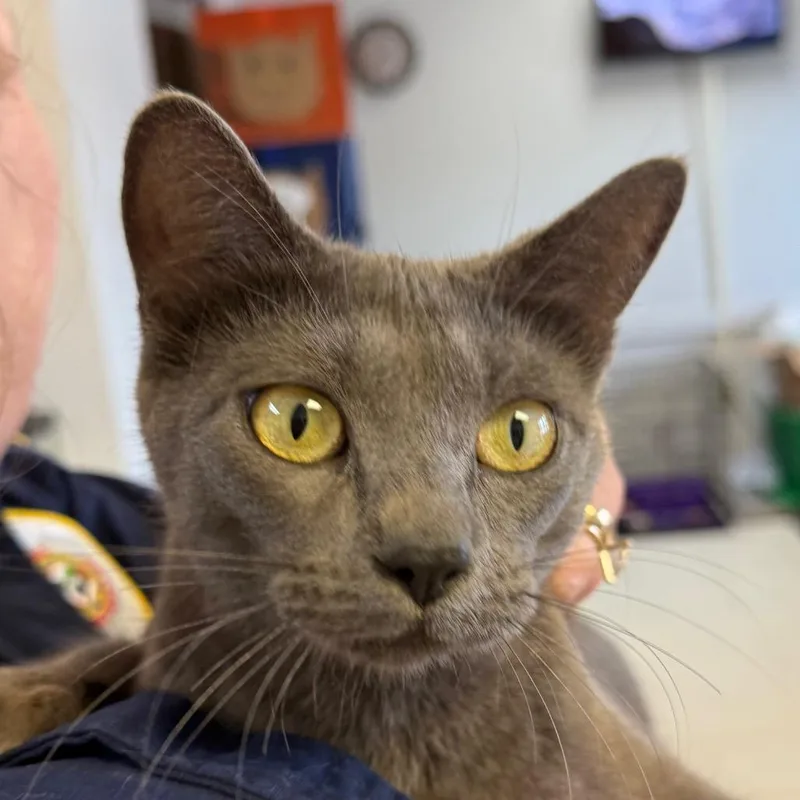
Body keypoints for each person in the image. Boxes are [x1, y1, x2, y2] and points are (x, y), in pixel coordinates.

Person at [0, 6, 629, 796]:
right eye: (299, 425)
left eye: (519, 436)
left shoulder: (53, 502)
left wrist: (570, 525)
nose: (430, 546)